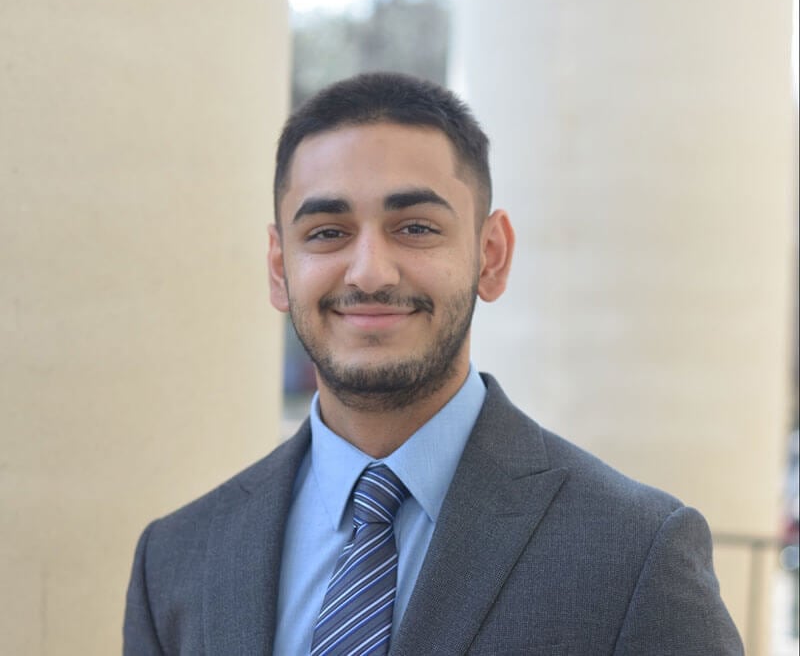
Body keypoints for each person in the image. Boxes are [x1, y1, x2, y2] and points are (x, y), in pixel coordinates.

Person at [124, 72, 743, 655]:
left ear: (491, 256)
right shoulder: (175, 559)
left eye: (416, 228)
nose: (369, 271)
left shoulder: (634, 552)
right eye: (326, 232)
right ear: (279, 267)